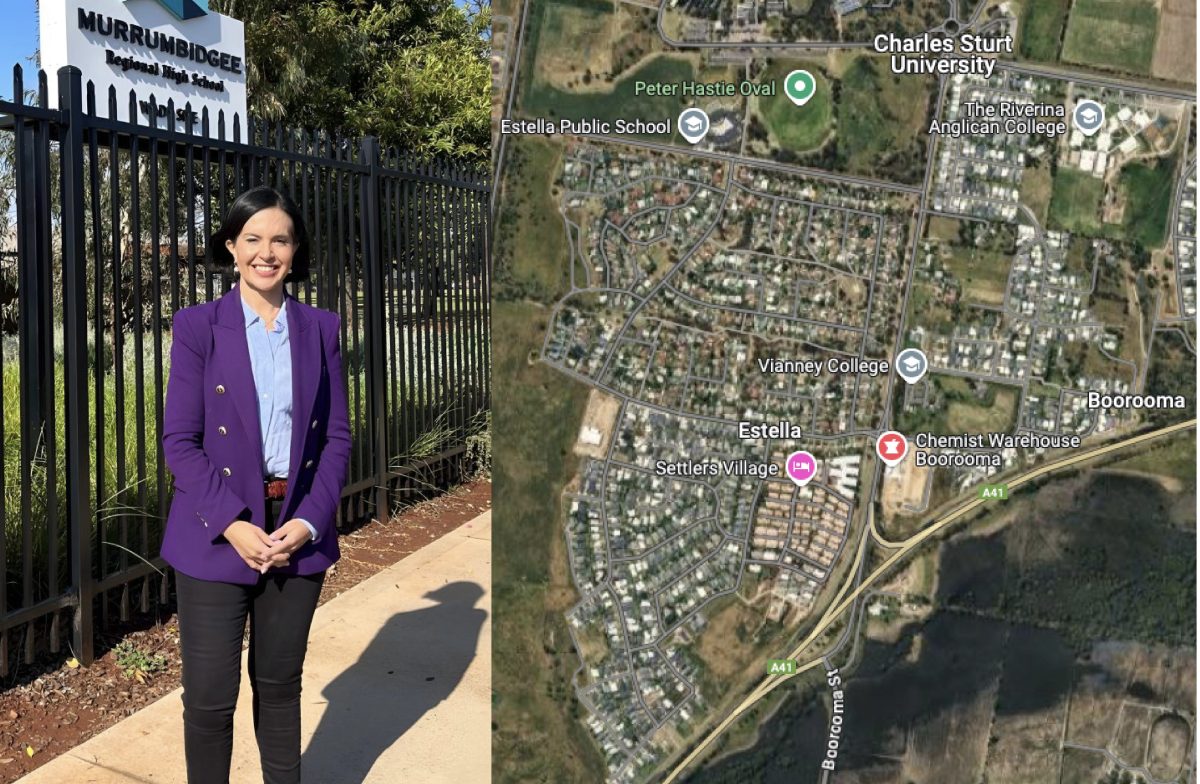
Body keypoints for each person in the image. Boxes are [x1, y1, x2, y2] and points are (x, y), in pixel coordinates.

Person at [159, 185, 351, 784]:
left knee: (280, 689)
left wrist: (308, 521)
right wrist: (234, 523)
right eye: (253, 240)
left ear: (295, 251)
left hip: (296, 532)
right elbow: (180, 443)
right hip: (217, 533)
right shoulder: (199, 327)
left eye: (281, 240)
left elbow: (338, 439)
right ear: (232, 248)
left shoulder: (320, 328)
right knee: (210, 702)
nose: (267, 252)